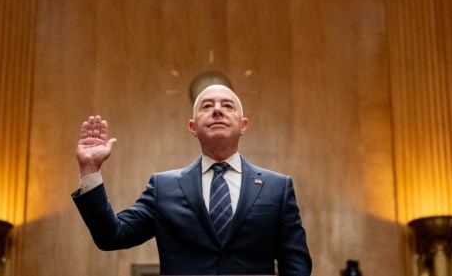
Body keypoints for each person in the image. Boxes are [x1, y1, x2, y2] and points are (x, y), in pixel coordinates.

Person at [72, 84, 312, 275]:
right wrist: (90, 170)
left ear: (243, 125)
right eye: (207, 106)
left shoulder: (277, 187)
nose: (217, 110)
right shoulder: (162, 188)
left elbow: (296, 262)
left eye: (227, 106)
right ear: (193, 126)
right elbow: (112, 236)